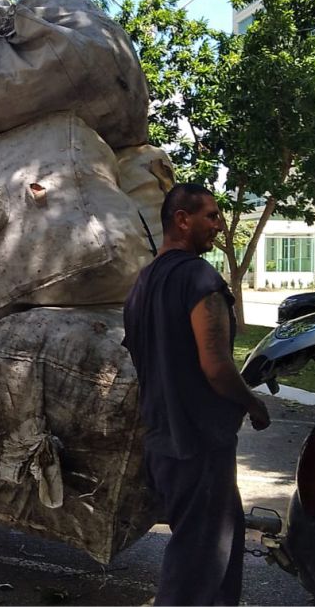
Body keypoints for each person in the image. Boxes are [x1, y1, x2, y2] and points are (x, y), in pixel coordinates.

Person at [123, 183, 271, 606]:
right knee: (196, 565)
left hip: (164, 442)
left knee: (219, 545)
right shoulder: (199, 278)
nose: (219, 225)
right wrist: (253, 403)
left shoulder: (142, 283)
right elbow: (217, 367)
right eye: (210, 216)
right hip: (199, 443)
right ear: (181, 219)